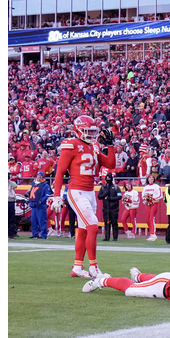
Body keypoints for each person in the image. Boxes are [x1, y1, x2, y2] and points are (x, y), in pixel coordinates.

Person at [50, 115, 116, 278]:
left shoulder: (94, 145)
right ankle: (93, 266)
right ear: (78, 130)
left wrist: (111, 146)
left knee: (84, 229)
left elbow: (110, 165)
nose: (91, 134)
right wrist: (56, 195)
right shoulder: (71, 144)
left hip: (90, 191)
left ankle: (77, 267)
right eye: (87, 131)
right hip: (76, 190)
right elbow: (59, 172)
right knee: (93, 225)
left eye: (93, 131)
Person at [25, 172, 52, 239]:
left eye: (40, 175)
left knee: (42, 221)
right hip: (33, 204)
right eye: (38, 175)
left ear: (42, 177)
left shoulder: (45, 185)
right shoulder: (34, 184)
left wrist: (41, 201)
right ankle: (35, 234)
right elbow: (31, 192)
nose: (39, 177)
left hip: (40, 205)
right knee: (33, 221)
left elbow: (47, 194)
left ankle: (43, 235)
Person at [97, 173, 122, 242]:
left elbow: (119, 196)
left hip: (114, 208)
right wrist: (105, 194)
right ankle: (106, 237)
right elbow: (99, 197)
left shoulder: (116, 187)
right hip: (105, 208)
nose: (108, 180)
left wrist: (111, 198)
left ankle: (115, 237)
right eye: (107, 179)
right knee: (106, 222)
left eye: (109, 179)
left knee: (114, 223)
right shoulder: (103, 187)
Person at [141, 174, 163, 241]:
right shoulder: (146, 187)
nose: (151, 178)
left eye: (152, 177)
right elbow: (143, 196)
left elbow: (160, 195)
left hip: (154, 203)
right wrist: (145, 200)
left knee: (151, 218)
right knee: (147, 219)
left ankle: (153, 234)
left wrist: (153, 199)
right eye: (150, 177)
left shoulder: (156, 186)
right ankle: (151, 233)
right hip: (148, 204)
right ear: (147, 179)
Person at [9, 174, 18, 239]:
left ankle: (11, 234)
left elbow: (15, 186)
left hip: (11, 201)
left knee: (11, 219)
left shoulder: (11, 183)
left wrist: (8, 180)